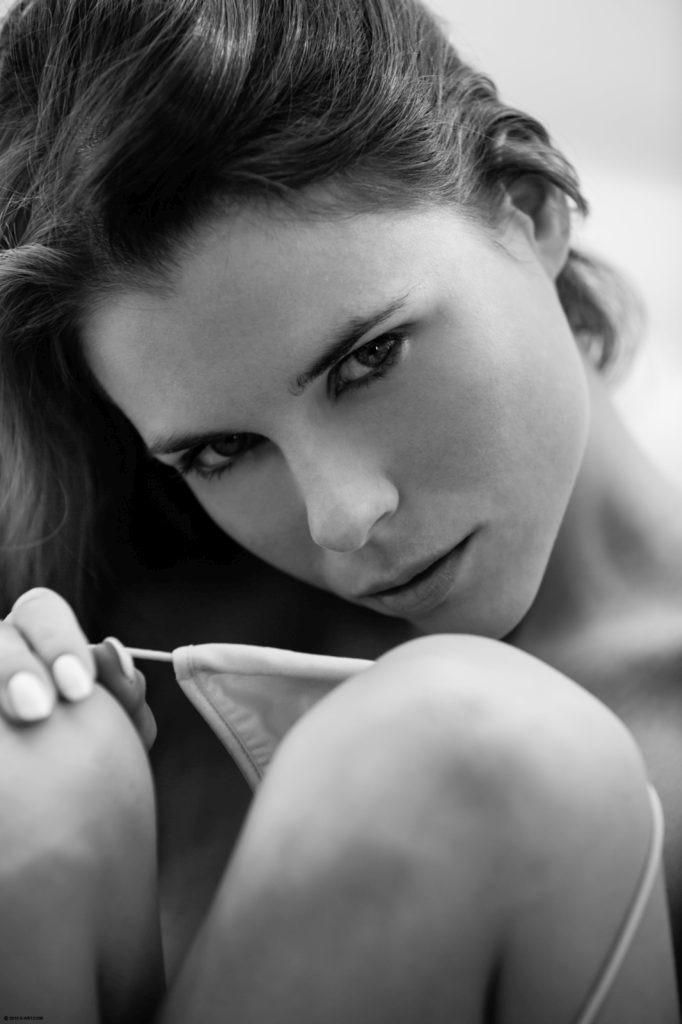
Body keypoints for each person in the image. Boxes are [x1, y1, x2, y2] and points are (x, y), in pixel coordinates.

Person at [0, 0, 680, 1021]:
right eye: (221, 452)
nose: (340, 518)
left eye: (369, 358)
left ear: (531, 212)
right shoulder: (142, 677)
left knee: (456, 743)